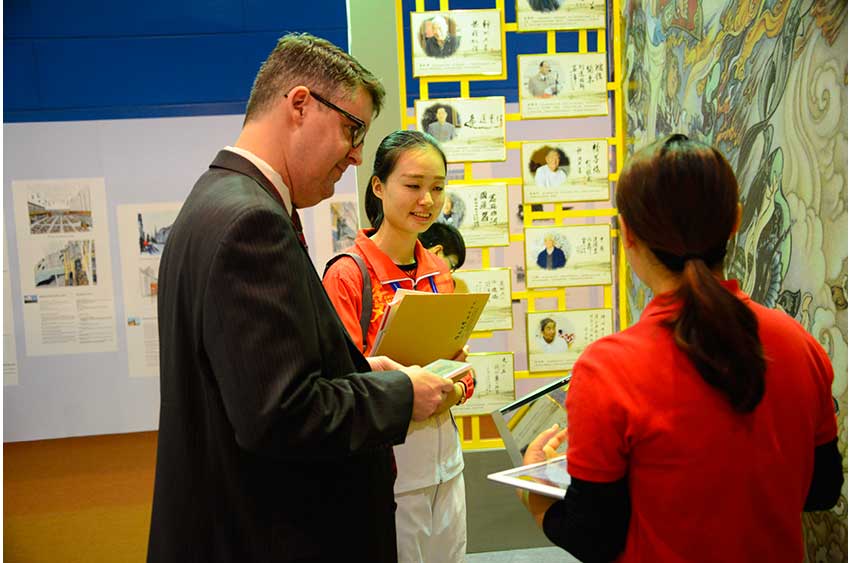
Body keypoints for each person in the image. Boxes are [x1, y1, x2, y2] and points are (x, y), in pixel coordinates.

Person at [147, 34, 456, 563]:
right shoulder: (251, 222)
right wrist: (401, 394)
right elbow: (282, 415)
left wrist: (360, 373)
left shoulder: (214, 199)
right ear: (299, 105)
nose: (357, 156)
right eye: (352, 129)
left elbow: (257, 380)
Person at [517, 134, 843, 562]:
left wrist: (536, 496)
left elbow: (593, 538)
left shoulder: (608, 368)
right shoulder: (800, 344)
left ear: (627, 233)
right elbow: (822, 490)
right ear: (736, 220)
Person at [323, 130, 474, 563]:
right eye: (413, 185)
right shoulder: (347, 275)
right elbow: (340, 385)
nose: (427, 200)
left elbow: (458, 368)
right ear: (378, 186)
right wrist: (407, 386)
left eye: (437, 187)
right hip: (388, 470)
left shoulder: (438, 271)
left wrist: (457, 383)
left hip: (448, 463)